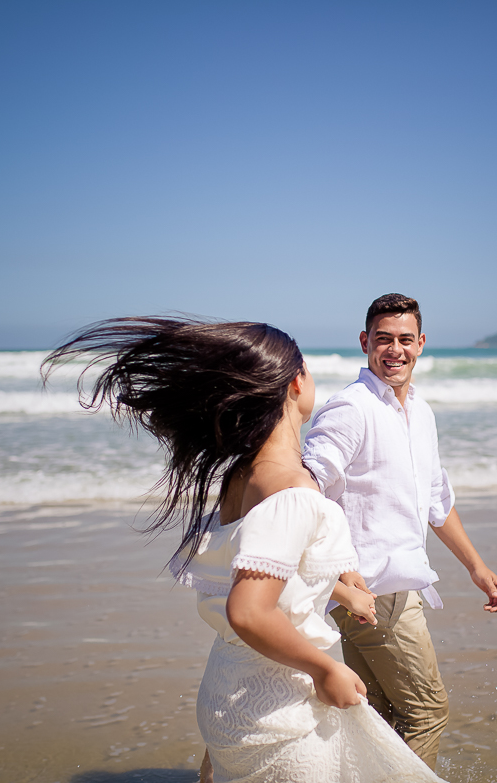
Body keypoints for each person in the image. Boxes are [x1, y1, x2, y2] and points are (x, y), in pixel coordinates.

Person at [42, 317, 446, 783]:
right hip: (275, 708)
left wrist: (339, 583)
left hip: (229, 689)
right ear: (296, 384)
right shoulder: (292, 490)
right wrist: (322, 670)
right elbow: (250, 611)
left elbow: (264, 569)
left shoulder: (240, 476)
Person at [303, 293, 497, 770]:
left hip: (374, 593)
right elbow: (303, 487)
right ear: (364, 342)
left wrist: (476, 567)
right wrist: (340, 571)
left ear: (421, 344)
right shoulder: (351, 409)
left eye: (404, 340)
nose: (394, 350)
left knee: (376, 715)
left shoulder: (420, 411)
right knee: (426, 711)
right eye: (383, 339)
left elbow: (437, 500)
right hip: (376, 590)